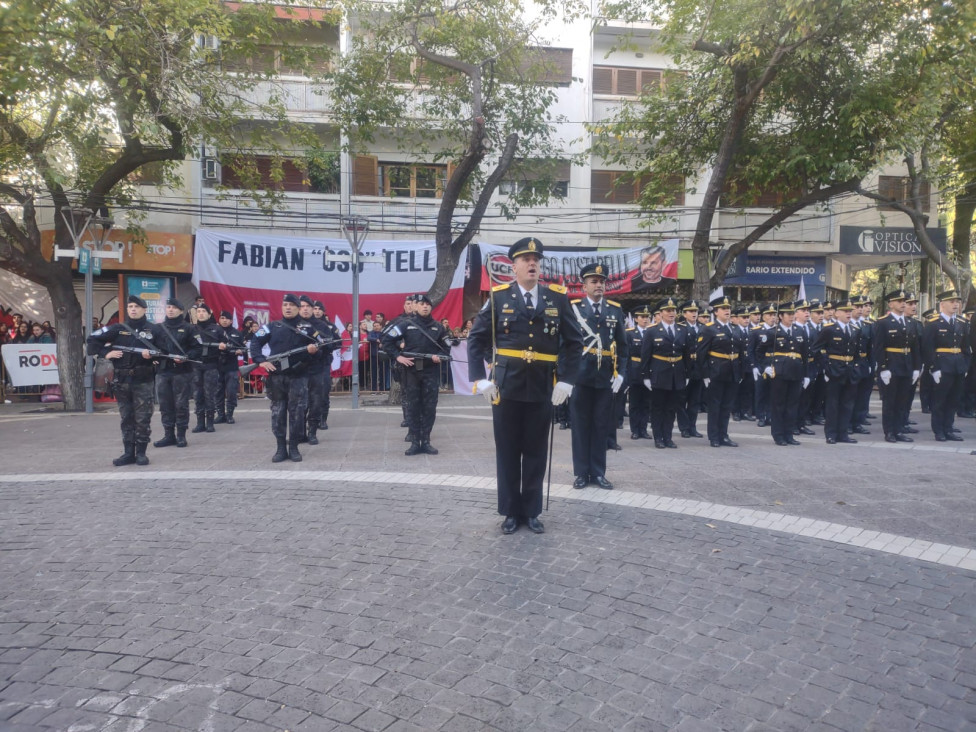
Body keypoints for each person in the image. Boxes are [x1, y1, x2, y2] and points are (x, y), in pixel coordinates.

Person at [467, 237, 583, 535]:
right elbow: (476, 339)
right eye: (526, 259)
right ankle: (510, 511)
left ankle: (531, 511)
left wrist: (567, 380)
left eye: (536, 259)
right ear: (514, 265)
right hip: (505, 386)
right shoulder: (498, 297)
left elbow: (574, 343)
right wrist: (480, 379)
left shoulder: (556, 298)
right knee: (507, 450)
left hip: (543, 385)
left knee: (535, 450)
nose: (532, 263)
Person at [87, 295, 168, 466]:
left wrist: (152, 356)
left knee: (143, 418)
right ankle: (128, 453)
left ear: (144, 310)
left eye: (137, 307)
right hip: (121, 380)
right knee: (126, 418)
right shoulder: (117, 328)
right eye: (130, 306)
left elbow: (165, 352)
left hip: (143, 380)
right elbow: (92, 339)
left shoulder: (154, 330)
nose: (133, 309)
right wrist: (105, 354)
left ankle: (141, 453)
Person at [568, 262, 628, 490]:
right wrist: (564, 377)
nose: (599, 285)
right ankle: (582, 472)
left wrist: (621, 374)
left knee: (601, 426)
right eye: (594, 281)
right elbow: (566, 345)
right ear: (584, 286)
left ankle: (599, 472)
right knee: (580, 426)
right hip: (580, 377)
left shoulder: (614, 309)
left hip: (605, 377)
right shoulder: (574, 309)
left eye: (602, 282)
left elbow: (622, 346)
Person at [382, 294, 456, 455]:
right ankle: (415, 442)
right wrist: (398, 356)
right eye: (421, 304)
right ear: (416, 307)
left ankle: (427, 441)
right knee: (413, 407)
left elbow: (447, 347)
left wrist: (439, 356)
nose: (425, 307)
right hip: (411, 371)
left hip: (430, 371)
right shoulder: (405, 325)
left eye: (427, 305)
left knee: (430, 407)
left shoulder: (438, 327)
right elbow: (386, 341)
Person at [249, 294, 319, 462]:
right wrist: (261, 361)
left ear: (298, 308)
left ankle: (293, 447)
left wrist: (313, 351)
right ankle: (280, 448)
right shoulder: (272, 327)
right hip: (277, 378)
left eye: (291, 305)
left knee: (297, 413)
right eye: (285, 305)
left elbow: (321, 348)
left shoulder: (308, 329)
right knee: (278, 413)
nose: (288, 308)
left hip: (298, 377)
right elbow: (255, 343)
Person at [640, 296, 693, 448]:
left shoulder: (682, 330)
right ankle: (658, 437)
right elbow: (645, 355)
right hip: (659, 373)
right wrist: (645, 376)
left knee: (671, 408)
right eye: (668, 310)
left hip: (676, 374)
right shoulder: (652, 331)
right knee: (658, 408)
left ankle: (668, 437)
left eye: (674, 310)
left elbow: (687, 354)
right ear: (661, 313)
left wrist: (687, 374)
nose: (671, 313)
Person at [757, 301, 810, 446]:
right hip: (779, 373)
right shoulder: (772, 332)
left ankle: (789, 434)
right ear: (780, 316)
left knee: (792, 405)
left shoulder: (800, 332)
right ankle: (778, 435)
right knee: (778, 405)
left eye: (793, 314)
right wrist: (765, 367)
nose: (792, 317)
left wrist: (806, 375)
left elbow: (805, 355)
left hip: (796, 372)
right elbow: (759, 352)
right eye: (789, 314)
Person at [695, 295, 745, 447]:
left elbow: (741, 353)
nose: (727, 311)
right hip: (716, 372)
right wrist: (705, 375)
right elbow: (701, 354)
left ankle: (724, 435)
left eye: (728, 308)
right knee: (715, 406)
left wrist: (740, 372)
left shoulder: (735, 329)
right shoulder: (709, 329)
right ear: (716, 312)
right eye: (724, 309)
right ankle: (714, 436)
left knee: (727, 406)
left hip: (732, 372)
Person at [872, 289, 921, 443]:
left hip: (906, 365)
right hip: (891, 365)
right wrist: (883, 368)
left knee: (902, 401)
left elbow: (915, 348)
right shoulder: (883, 323)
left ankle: (899, 430)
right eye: (900, 301)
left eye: (904, 302)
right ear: (891, 303)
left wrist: (916, 367)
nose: (903, 304)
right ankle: (889, 432)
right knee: (890, 401)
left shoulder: (910, 323)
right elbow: (878, 348)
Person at [922, 289, 970, 441]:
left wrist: (966, 366)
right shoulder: (933, 323)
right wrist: (933, 368)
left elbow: (966, 348)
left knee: (953, 400)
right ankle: (939, 430)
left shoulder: (962, 323)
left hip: (958, 366)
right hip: (942, 365)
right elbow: (927, 348)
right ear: (942, 304)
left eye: (957, 302)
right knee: (940, 400)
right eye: (952, 302)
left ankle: (949, 428)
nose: (955, 304)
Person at [812, 296, 861, 444]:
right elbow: (816, 349)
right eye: (845, 311)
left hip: (849, 371)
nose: (848, 313)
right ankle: (831, 434)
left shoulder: (855, 330)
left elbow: (857, 352)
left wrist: (856, 368)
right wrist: (827, 367)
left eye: (849, 311)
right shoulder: (829, 330)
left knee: (847, 404)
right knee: (833, 404)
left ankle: (843, 433)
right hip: (834, 370)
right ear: (836, 313)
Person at [153, 298, 201, 448]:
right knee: (165, 405)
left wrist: (186, 356)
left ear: (181, 310)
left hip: (182, 372)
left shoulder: (189, 328)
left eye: (174, 307)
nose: (170, 310)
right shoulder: (158, 328)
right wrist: (153, 357)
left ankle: (181, 435)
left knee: (181, 404)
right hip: (163, 372)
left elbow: (198, 349)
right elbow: (152, 346)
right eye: (168, 307)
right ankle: (168, 435)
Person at [306, 300, 340, 441]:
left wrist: (325, 348)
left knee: (323, 392)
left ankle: (322, 419)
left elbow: (338, 342)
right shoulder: (303, 325)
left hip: (323, 363)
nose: (317, 311)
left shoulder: (329, 326)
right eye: (315, 308)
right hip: (306, 364)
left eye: (320, 309)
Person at [191, 304, 222, 434]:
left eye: (204, 311)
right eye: (199, 311)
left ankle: (210, 422)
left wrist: (222, 347)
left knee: (209, 394)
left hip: (211, 366)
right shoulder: (191, 329)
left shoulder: (217, 329)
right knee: (198, 395)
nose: (201, 313)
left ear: (209, 314)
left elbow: (227, 346)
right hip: (196, 366)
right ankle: (200, 423)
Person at [677, 300, 705, 437]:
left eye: (695, 311)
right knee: (682, 399)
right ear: (684, 314)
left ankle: (692, 427)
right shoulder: (680, 327)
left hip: (698, 368)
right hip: (684, 368)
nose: (694, 314)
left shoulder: (703, 328)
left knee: (695, 400)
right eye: (691, 311)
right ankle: (684, 427)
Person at [213, 310, 247, 424]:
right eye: (222, 318)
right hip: (217, 365)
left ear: (231, 321)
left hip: (231, 366)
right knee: (218, 392)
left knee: (231, 392)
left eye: (226, 318)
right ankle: (220, 414)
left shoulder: (237, 333)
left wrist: (239, 351)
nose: (224, 320)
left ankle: (229, 415)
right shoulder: (214, 332)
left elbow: (244, 349)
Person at [626, 305, 653, 440]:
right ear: (636, 319)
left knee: (646, 402)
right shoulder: (630, 333)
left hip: (649, 370)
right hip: (635, 370)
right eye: (642, 317)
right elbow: (626, 354)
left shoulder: (652, 332)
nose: (645, 319)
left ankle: (643, 429)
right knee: (635, 403)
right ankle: (635, 430)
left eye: (647, 317)